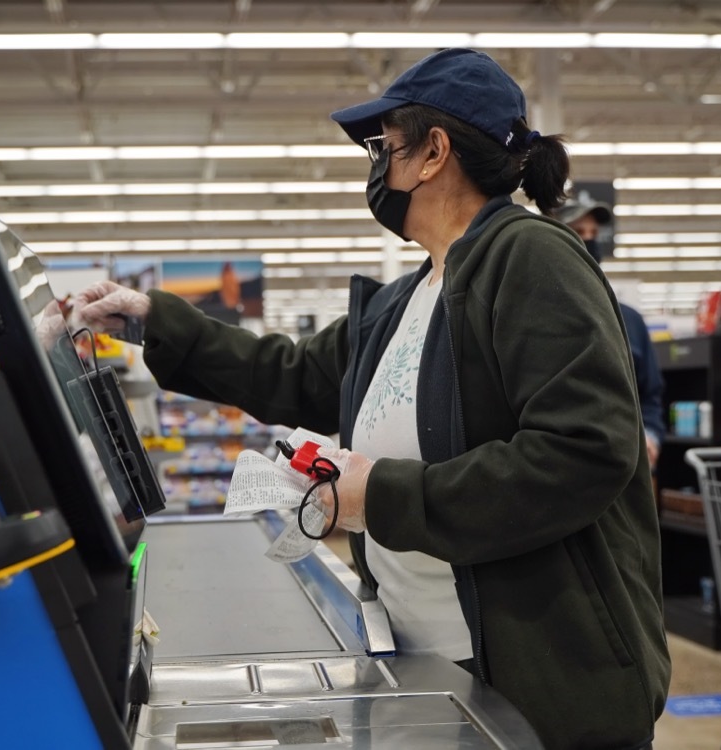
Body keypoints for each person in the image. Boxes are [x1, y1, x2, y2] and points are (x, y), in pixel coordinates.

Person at [68, 48, 669, 749]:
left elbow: (583, 453)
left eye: (384, 146)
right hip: (431, 663)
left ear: (434, 153)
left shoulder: (530, 258)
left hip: (540, 684)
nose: (377, 165)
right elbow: (289, 373)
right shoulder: (403, 301)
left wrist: (377, 495)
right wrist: (154, 321)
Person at [552, 199, 666, 466]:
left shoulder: (630, 321)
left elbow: (650, 394)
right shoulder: (537, 314)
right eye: (578, 232)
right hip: (560, 465)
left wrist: (650, 437)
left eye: (594, 233)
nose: (589, 241)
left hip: (622, 463)